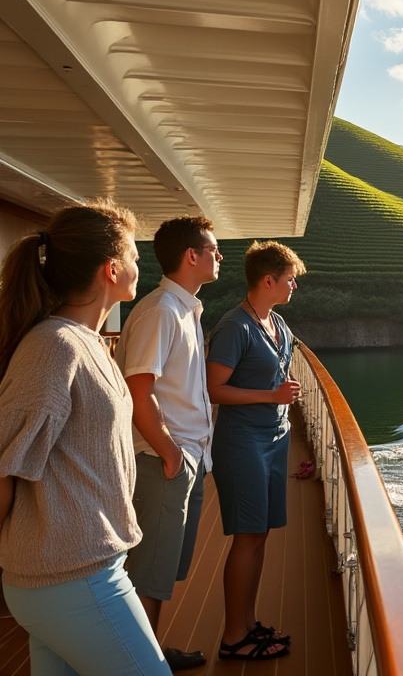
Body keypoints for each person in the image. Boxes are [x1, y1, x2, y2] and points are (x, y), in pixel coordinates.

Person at [0, 201, 171, 675]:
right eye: (135, 256)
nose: (141, 265)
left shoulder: (88, 341)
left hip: (76, 572)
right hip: (71, 578)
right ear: (111, 270)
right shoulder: (54, 349)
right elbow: (3, 466)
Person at [116, 217, 221, 671]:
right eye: (213, 249)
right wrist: (170, 453)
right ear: (191, 256)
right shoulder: (162, 311)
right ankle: (141, 661)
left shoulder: (185, 309)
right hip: (163, 459)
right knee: (148, 570)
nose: (220, 256)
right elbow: (139, 391)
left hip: (183, 457)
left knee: (160, 569)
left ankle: (151, 652)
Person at [205, 241, 304, 661]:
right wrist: (272, 397)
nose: (294, 284)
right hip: (243, 442)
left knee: (259, 534)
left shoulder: (278, 324)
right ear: (269, 280)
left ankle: (248, 624)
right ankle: (233, 637)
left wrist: (280, 399)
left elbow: (278, 377)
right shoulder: (235, 327)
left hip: (275, 438)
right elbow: (216, 390)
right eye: (289, 279)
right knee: (247, 536)